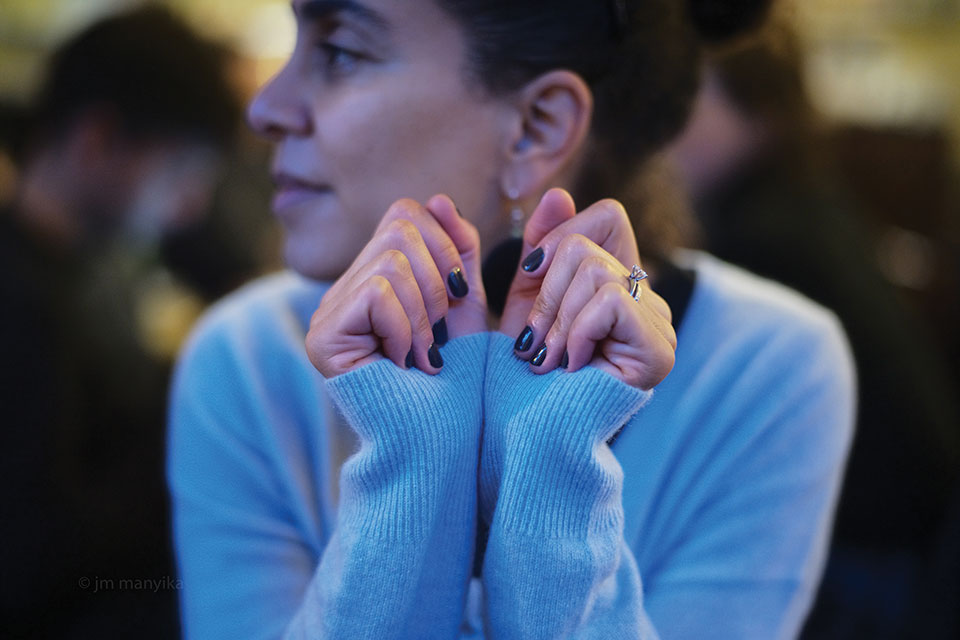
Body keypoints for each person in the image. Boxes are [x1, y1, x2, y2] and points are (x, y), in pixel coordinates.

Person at [167, 1, 854, 637]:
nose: (264, 108)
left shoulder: (771, 368)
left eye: (341, 50)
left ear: (536, 128)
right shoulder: (246, 360)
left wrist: (555, 449)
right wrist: (416, 452)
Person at [666, 25, 960, 638]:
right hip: (910, 531)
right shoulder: (802, 199)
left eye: (693, 100)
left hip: (873, 554)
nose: (672, 130)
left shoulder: (762, 238)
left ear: (753, 112)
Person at [0, 6, 239, 637]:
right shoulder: (18, 302)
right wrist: (196, 408)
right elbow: (32, 558)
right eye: (182, 171)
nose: (191, 206)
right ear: (97, 140)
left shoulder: (86, 263)